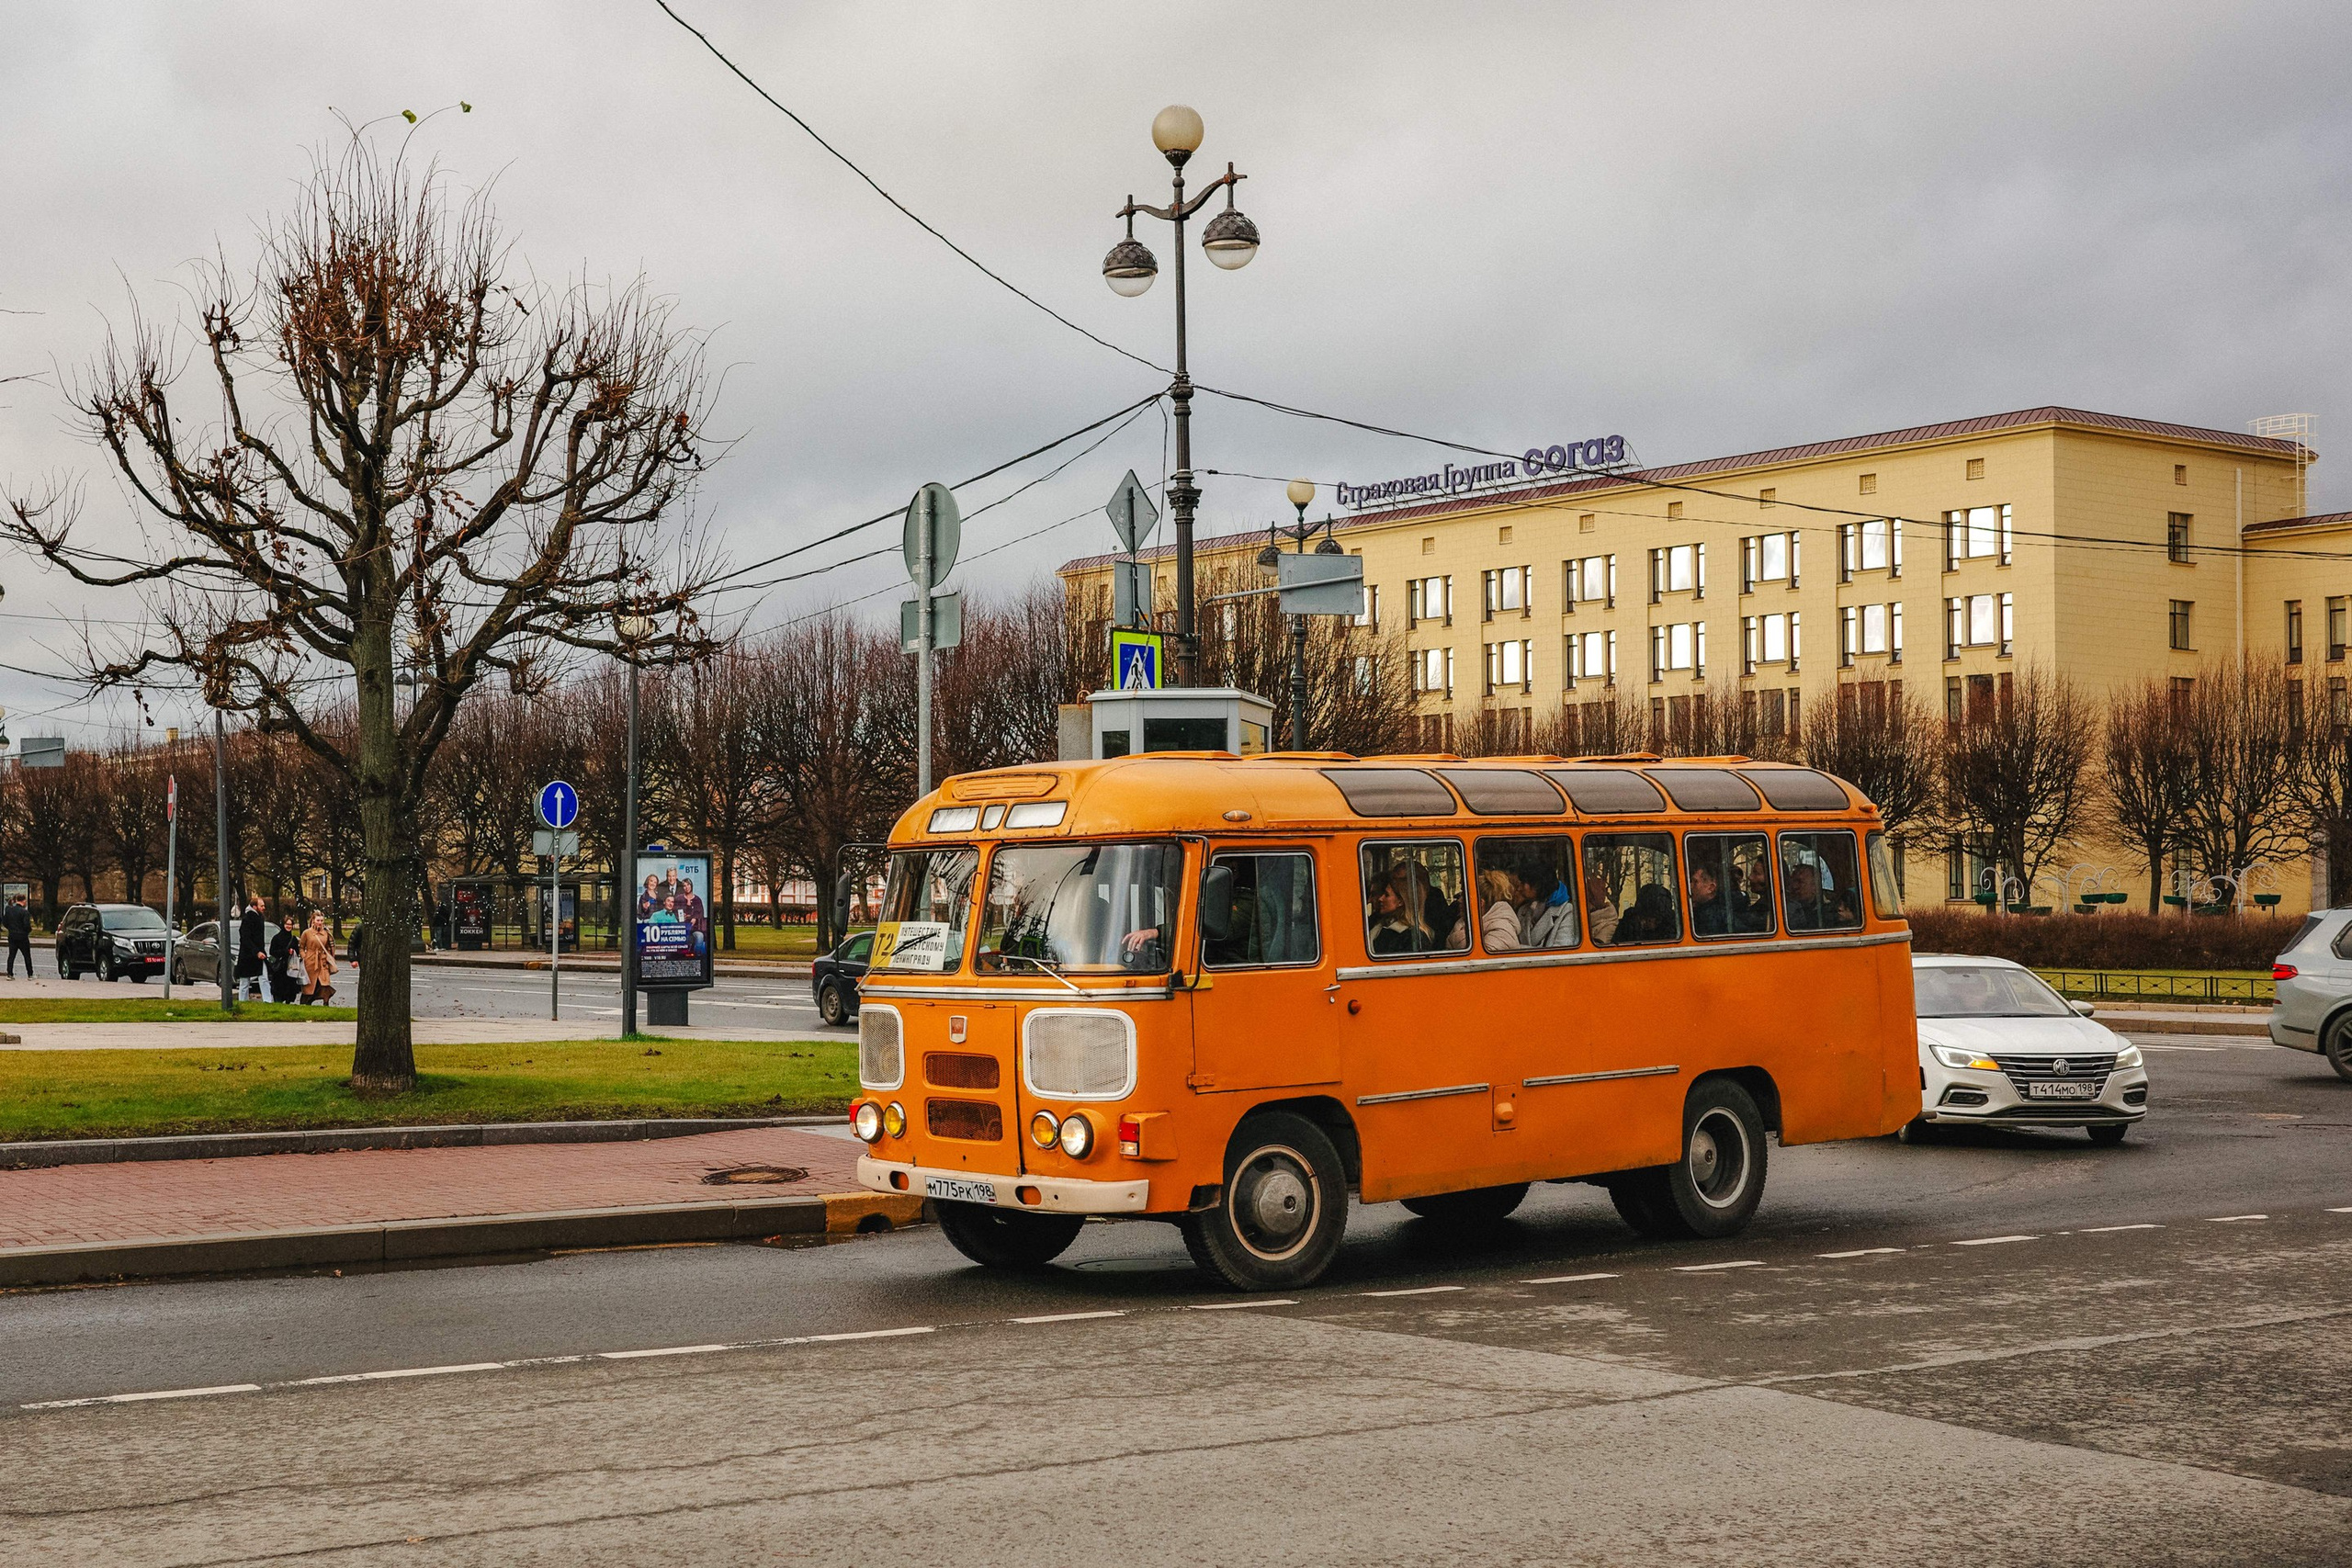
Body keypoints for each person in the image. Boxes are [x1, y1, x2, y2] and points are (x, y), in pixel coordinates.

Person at [1476, 868, 1523, 953]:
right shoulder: (1463, 923)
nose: (1459, 900)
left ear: (1480, 903)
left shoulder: (1501, 930)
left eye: (1463, 897)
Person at [1614, 883, 1679, 944]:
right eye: (1645, 919)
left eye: (1655, 920)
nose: (1645, 923)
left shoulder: (1673, 927)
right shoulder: (1628, 927)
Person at [299, 910, 337, 1005]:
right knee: (310, 985)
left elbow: (329, 946)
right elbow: (301, 947)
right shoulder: (307, 933)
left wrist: (328, 956)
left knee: (325, 983)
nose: (320, 923)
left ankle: (326, 1003)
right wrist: (305, 957)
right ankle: (306, 1002)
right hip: (310, 962)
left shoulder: (326, 933)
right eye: (318, 920)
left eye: (321, 920)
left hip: (322, 962)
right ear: (313, 921)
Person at [236, 894, 267, 1001]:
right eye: (261, 906)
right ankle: (243, 1001)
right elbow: (245, 938)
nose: (264, 908)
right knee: (245, 981)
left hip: (255, 953)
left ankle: (267, 1001)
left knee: (263, 978)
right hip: (248, 954)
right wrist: (257, 951)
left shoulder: (258, 918)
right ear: (255, 907)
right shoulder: (248, 919)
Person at [1689, 859, 1729, 937]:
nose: (1690, 886)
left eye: (1695, 882)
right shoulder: (1702, 909)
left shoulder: (1712, 917)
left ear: (1711, 888)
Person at [266, 910, 298, 1003]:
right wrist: (286, 951)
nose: (288, 926)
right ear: (283, 925)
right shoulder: (277, 938)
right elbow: (272, 951)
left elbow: (297, 952)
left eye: (290, 925)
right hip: (279, 968)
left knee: (289, 989)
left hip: (290, 967)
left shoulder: (293, 939)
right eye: (287, 924)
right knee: (279, 989)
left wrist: (294, 952)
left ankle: (287, 1002)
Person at [3, 895, 31, 978]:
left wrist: (11, 929)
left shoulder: (9, 911)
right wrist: (27, 931)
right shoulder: (25, 912)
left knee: (11, 955)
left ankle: (10, 973)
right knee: (27, 956)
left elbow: (5, 922)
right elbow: (27, 925)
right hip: (22, 937)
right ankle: (30, 974)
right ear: (23, 901)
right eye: (25, 901)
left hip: (12, 935)